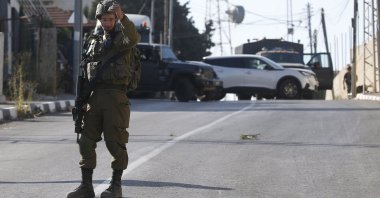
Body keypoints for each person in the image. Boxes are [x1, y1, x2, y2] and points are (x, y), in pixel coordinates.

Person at [67, 1, 140, 197]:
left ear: (116, 19)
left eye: (111, 19)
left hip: (116, 97)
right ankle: (86, 187)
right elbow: (84, 70)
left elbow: (133, 37)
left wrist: (123, 17)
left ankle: (116, 187)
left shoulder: (123, 39)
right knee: (86, 141)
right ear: (99, 19)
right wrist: (80, 100)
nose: (107, 23)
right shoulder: (93, 40)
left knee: (114, 143)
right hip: (94, 97)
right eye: (104, 19)